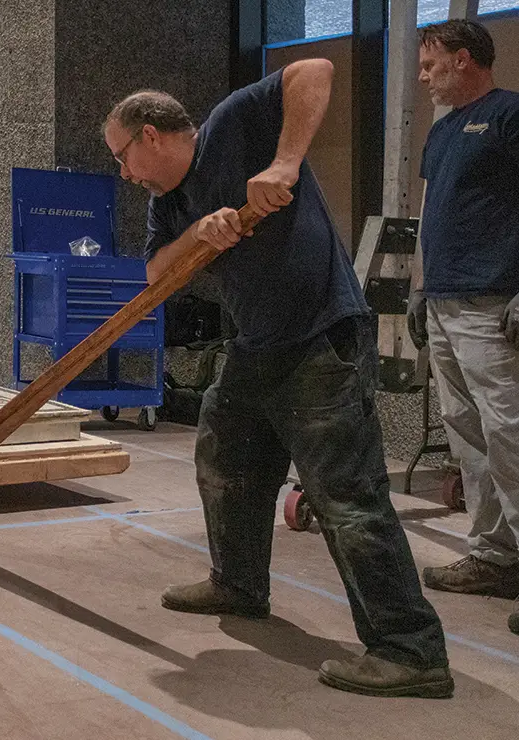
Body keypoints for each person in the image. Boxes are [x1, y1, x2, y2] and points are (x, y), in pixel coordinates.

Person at [104, 60, 455, 695]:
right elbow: (157, 273)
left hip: (320, 337)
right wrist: (199, 233)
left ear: (149, 134)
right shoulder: (170, 202)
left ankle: (410, 650)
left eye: (122, 157)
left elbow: (314, 70)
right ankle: (238, 584)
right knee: (225, 460)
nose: (125, 174)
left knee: (346, 497)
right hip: (255, 345)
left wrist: (285, 164)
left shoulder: (233, 124)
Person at [407, 20, 519, 637]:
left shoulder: (508, 116)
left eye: (431, 65)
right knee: (469, 436)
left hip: (492, 301)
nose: (424, 77)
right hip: (445, 303)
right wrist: (420, 288)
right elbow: (432, 213)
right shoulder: (443, 130)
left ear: (465, 59)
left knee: (510, 432)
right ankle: (496, 556)